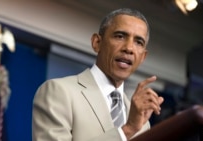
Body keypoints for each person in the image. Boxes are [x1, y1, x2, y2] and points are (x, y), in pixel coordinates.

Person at [32, 8, 164, 141]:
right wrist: (127, 130)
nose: (129, 48)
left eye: (138, 42)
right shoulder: (59, 91)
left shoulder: (142, 123)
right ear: (97, 43)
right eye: (120, 36)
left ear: (142, 57)